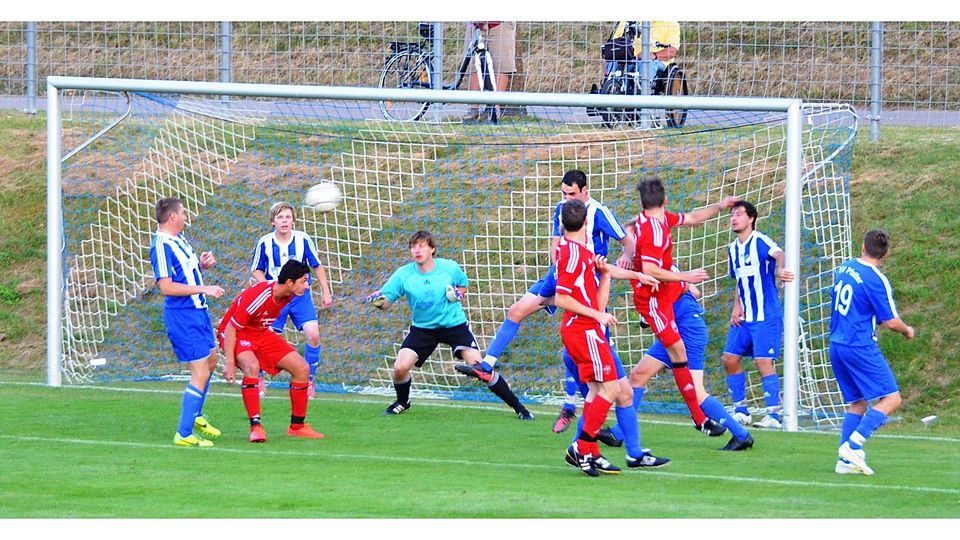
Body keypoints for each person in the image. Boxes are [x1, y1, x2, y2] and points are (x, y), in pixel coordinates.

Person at [454, 170, 641, 434]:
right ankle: (487, 365)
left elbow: (627, 241)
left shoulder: (598, 212)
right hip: (561, 276)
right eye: (563, 194)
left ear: (585, 192)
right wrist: (560, 273)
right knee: (516, 311)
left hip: (587, 285)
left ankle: (580, 413)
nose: (566, 198)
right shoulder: (563, 211)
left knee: (582, 354)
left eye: (572, 194)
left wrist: (624, 258)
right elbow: (556, 247)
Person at [555, 199, 669, 476]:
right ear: (586, 224)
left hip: (588, 329)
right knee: (611, 391)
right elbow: (561, 298)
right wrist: (597, 316)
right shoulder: (571, 253)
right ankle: (582, 447)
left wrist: (633, 274)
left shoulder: (577, 250)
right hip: (583, 330)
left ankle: (622, 453)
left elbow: (603, 275)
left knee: (613, 391)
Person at [366, 230, 533, 419]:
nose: (416, 250)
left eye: (421, 246)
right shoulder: (403, 274)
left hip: (455, 326)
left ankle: (520, 408)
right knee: (400, 367)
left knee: (481, 369)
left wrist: (458, 294)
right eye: (413, 247)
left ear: (432, 249)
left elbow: (463, 285)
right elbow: (386, 301)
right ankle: (402, 402)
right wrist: (379, 302)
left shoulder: (449, 268)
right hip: (423, 329)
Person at [630, 176, 739, 438]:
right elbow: (650, 269)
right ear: (664, 199)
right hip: (653, 301)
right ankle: (701, 419)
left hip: (666, 302)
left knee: (639, 375)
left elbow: (692, 218)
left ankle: (618, 432)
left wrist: (720, 206)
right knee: (677, 355)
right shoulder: (654, 230)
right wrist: (686, 278)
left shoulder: (658, 220)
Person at [628, 268, 755, 451]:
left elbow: (686, 290)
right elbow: (694, 291)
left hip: (688, 331)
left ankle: (741, 435)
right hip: (673, 331)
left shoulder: (654, 264)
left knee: (697, 392)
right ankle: (619, 434)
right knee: (638, 375)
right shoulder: (656, 264)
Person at [830, 230, 914, 475]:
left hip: (837, 343)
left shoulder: (844, 268)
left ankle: (844, 463)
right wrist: (907, 330)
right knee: (892, 398)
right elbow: (890, 321)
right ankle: (854, 445)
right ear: (885, 253)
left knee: (857, 402)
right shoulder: (876, 279)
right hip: (859, 345)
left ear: (863, 246)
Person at [218, 259, 325, 442]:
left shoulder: (290, 295)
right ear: (290, 282)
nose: (306, 286)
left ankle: (297, 426)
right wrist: (229, 362)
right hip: (237, 333)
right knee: (252, 366)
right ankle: (256, 427)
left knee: (302, 368)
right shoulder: (259, 295)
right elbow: (230, 328)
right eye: (303, 281)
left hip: (259, 333)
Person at [149, 197, 225, 447]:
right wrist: (205, 287)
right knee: (199, 371)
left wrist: (201, 266)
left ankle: (196, 415)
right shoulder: (161, 245)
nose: (185, 216)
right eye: (182, 212)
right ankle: (183, 434)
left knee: (211, 359)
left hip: (198, 311)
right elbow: (167, 287)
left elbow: (184, 275)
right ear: (172, 217)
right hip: (182, 316)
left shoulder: (179, 239)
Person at [721, 201, 796, 429]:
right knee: (729, 358)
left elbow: (779, 253)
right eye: (732, 215)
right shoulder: (733, 249)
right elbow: (740, 281)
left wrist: (781, 269)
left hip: (766, 314)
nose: (734, 218)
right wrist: (737, 305)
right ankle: (741, 410)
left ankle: (773, 415)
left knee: (763, 361)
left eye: (739, 214)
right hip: (744, 316)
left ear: (751, 218)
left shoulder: (760, 241)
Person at [250, 202, 333, 399]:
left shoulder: (303, 240)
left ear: (293, 220)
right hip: (276, 297)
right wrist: (268, 286)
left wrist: (326, 292)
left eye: (288, 217)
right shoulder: (265, 243)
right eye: (280, 217)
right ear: (273, 222)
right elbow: (256, 269)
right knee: (263, 337)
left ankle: (308, 382)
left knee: (313, 334)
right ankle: (259, 378)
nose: (284, 221)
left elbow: (317, 266)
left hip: (299, 297)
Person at [463, 21, 517, 121]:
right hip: (475, 26)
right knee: (473, 64)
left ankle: (495, 110)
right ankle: (474, 109)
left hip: (501, 23)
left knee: (501, 65)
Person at [607, 21, 680, 81]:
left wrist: (653, 55)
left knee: (646, 65)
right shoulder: (628, 21)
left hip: (654, 61)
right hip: (629, 59)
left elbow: (672, 51)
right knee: (612, 62)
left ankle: (643, 93)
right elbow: (613, 44)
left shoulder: (671, 23)